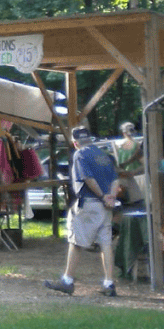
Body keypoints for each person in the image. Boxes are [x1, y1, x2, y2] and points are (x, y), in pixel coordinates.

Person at [45, 121, 123, 298]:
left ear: (75, 143)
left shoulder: (80, 154)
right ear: (90, 139)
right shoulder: (104, 155)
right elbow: (115, 180)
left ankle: (67, 281)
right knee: (106, 244)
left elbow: (88, 178)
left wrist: (102, 196)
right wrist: (110, 197)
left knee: (76, 241)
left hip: (89, 203)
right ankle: (109, 283)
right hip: (106, 208)